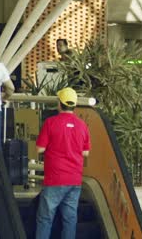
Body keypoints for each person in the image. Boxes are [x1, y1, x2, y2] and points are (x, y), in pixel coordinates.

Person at [35, 87, 91, 239]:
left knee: (45, 218)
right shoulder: (82, 125)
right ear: (74, 105)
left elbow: (40, 148)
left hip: (55, 179)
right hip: (74, 180)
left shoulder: (50, 123)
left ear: (59, 104)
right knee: (70, 219)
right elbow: (86, 152)